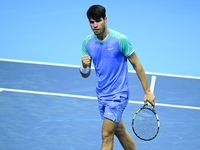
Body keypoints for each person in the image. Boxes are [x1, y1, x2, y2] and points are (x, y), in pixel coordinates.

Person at [79, 5, 155, 150]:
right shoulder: (87, 43)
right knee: (119, 131)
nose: (95, 25)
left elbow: (137, 65)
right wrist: (83, 65)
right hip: (102, 95)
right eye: (91, 22)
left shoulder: (121, 40)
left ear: (105, 19)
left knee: (106, 135)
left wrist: (147, 91)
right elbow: (85, 73)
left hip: (118, 95)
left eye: (98, 21)